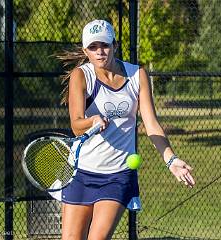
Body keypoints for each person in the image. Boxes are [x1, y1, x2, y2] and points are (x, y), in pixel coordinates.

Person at [56, 19, 195, 240]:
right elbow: (76, 125)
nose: (100, 51)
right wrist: (92, 121)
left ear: (114, 45)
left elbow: (151, 123)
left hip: (118, 175)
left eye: (105, 45)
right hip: (81, 173)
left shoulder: (137, 75)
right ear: (85, 50)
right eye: (93, 47)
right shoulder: (81, 76)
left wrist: (171, 160)